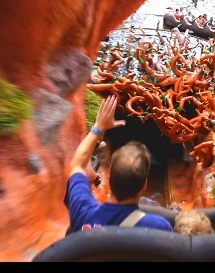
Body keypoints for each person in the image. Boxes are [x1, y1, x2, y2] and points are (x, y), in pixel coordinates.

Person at [65, 95, 173, 232]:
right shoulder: (158, 226)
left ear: (110, 180)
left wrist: (98, 127)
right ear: (144, 186)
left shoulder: (83, 212)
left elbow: (77, 165)